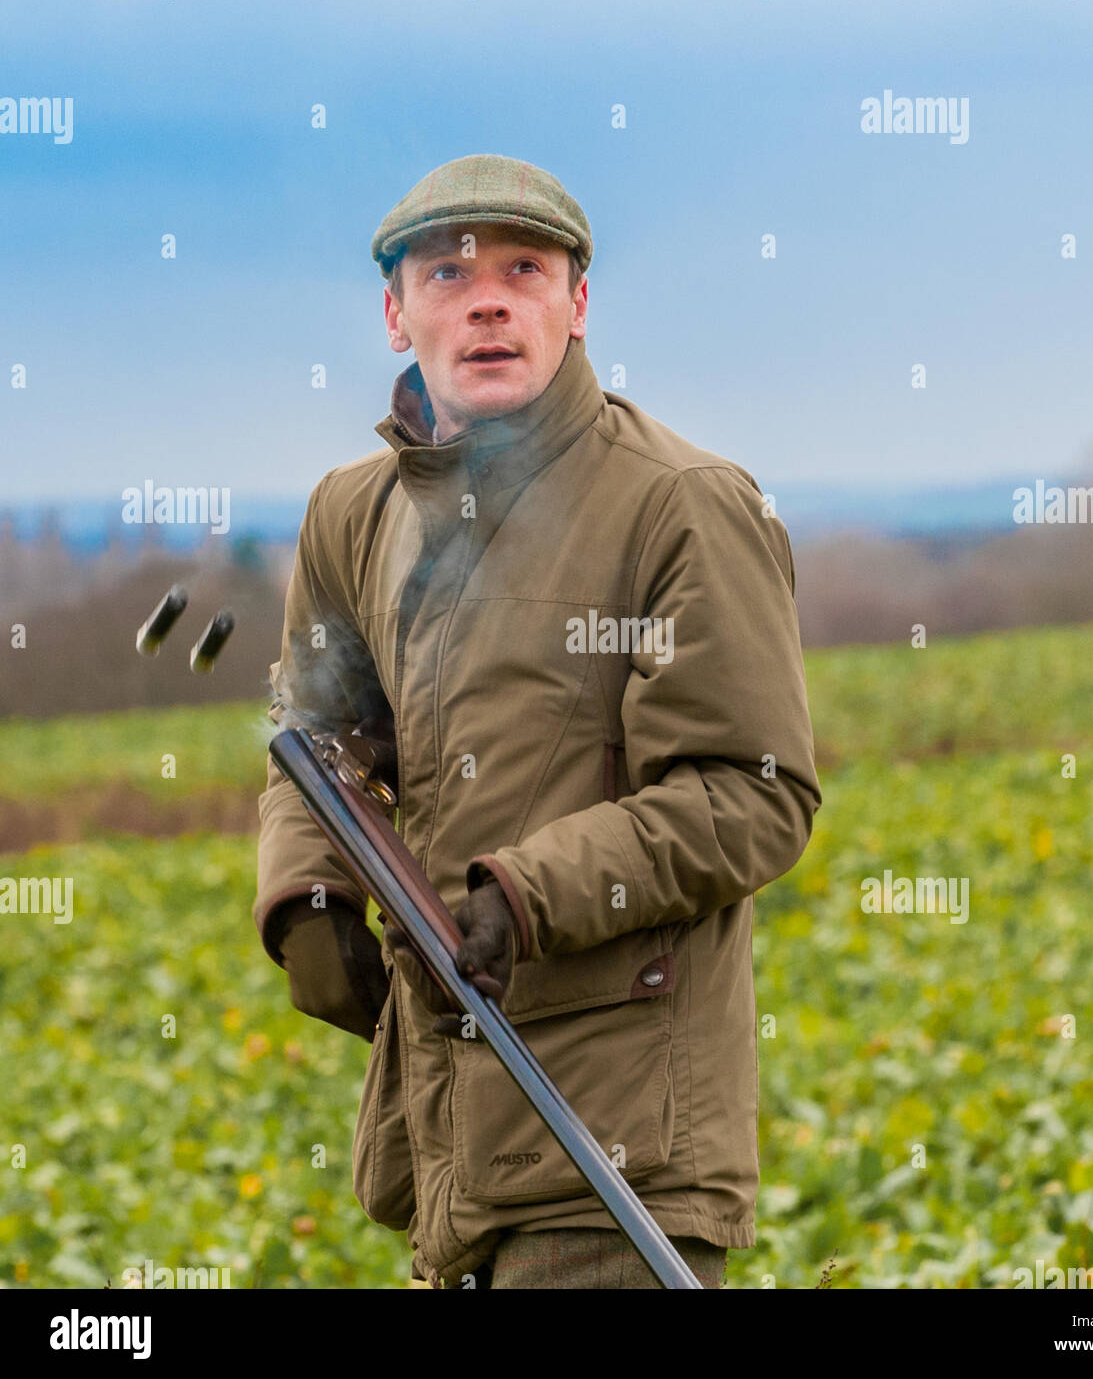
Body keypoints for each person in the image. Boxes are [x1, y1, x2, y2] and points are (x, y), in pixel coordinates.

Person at [253, 153, 821, 1288]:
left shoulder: (682, 504)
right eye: (448, 273)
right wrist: (305, 896)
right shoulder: (351, 515)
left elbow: (754, 795)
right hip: (448, 1151)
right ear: (394, 311)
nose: (490, 298)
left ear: (578, 302)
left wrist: (524, 894)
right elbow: (317, 742)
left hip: (619, 1155)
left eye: (526, 268)